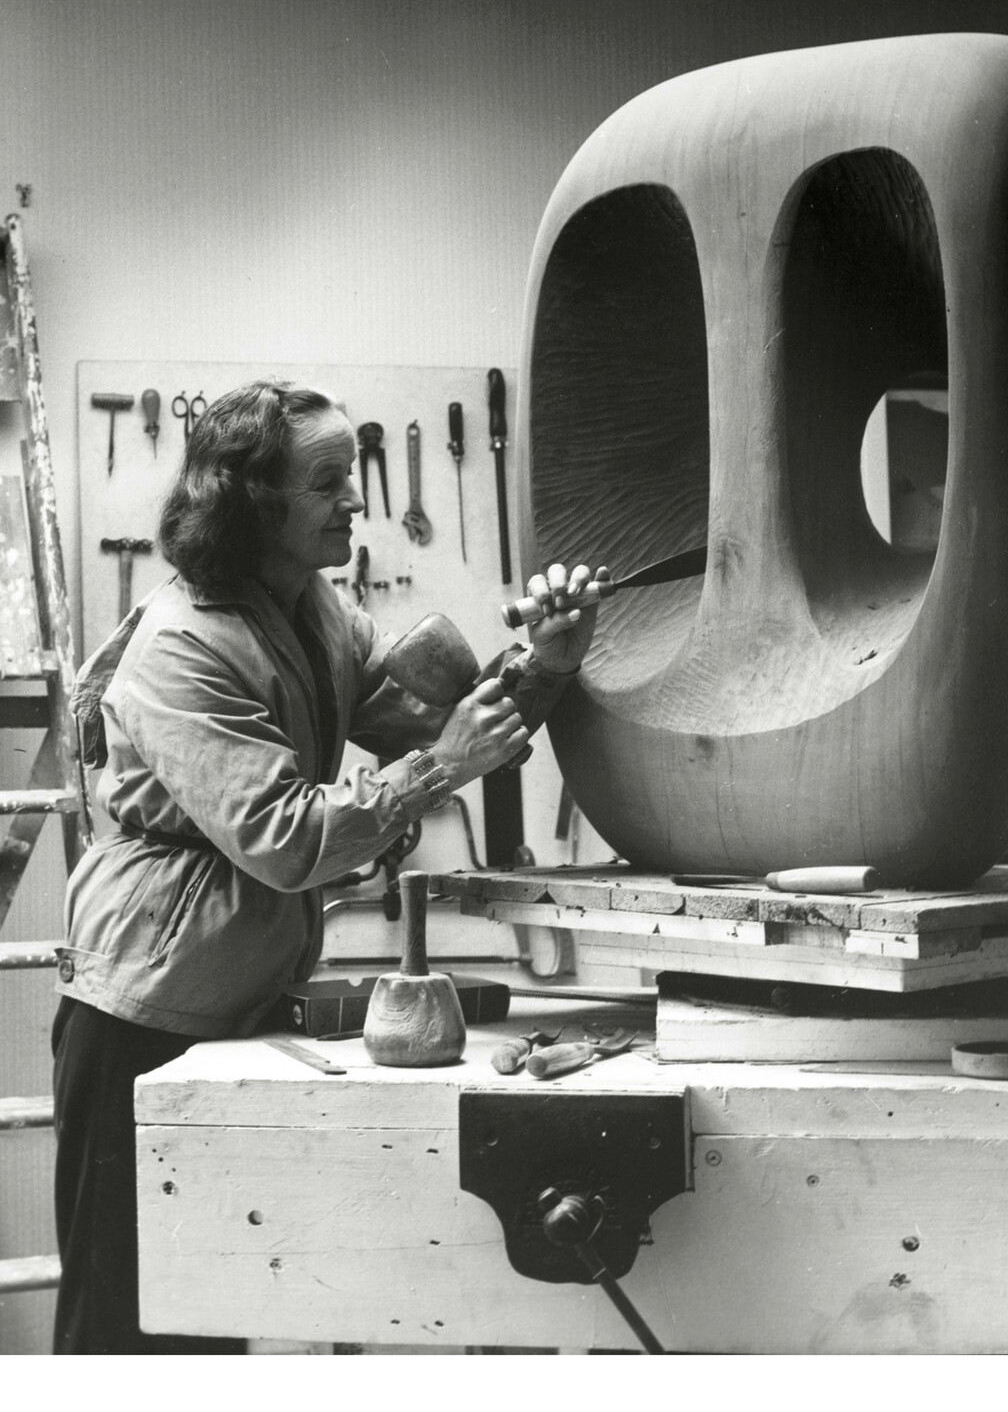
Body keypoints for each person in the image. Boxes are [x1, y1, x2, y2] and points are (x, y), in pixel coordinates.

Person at [52, 378, 603, 1354]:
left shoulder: (312, 607)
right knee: (125, 1336)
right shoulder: (184, 648)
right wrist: (442, 766)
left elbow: (451, 726)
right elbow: (291, 839)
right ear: (253, 500)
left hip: (235, 1009)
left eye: (353, 474)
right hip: (138, 1022)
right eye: (329, 481)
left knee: (216, 1314)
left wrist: (548, 660)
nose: (357, 500)